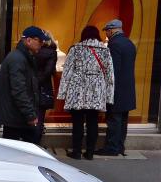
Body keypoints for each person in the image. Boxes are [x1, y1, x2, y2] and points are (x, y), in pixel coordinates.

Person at [57, 26, 114, 160]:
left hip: (78, 91)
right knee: (93, 122)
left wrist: (62, 94)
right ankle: (89, 153)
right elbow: (110, 75)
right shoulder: (105, 50)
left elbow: (67, 72)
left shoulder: (76, 49)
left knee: (77, 122)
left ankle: (76, 152)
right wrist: (108, 96)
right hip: (96, 91)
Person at [0, 26, 47, 144]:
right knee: (23, 151)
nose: (42, 44)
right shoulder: (17, 59)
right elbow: (19, 90)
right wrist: (31, 115)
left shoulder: (24, 57)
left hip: (17, 116)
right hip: (15, 118)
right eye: (40, 41)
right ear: (28, 40)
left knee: (23, 151)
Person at [96, 19, 137, 156]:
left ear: (112, 30)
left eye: (107, 31)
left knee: (114, 120)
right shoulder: (129, 43)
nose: (106, 34)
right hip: (128, 90)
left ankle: (111, 148)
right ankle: (120, 147)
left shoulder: (114, 45)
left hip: (117, 90)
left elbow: (112, 70)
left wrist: (107, 90)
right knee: (123, 120)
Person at [34, 32, 57, 144]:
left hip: (30, 88)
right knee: (39, 117)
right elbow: (49, 71)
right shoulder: (52, 53)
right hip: (43, 88)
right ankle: (35, 144)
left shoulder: (33, 51)